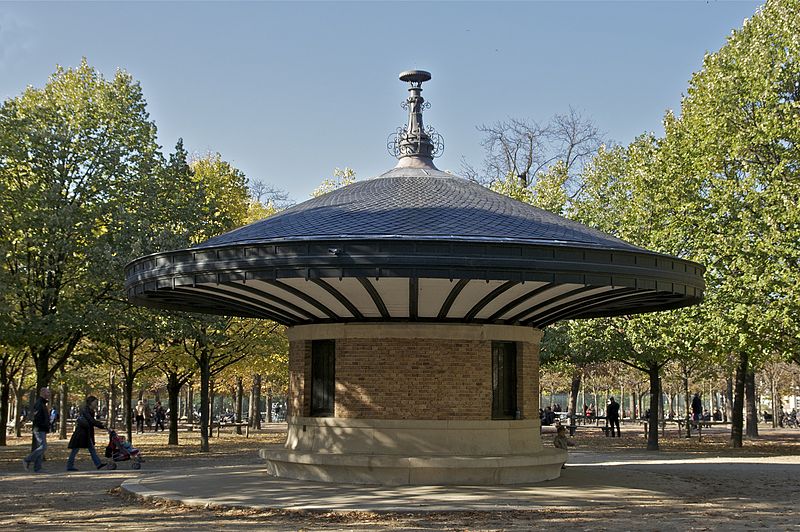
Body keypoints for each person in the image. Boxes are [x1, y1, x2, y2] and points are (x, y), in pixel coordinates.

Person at [66, 395, 107, 471]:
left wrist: (101, 425)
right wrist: (101, 425)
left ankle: (98, 464)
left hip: (86, 434)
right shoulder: (85, 410)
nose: (96, 404)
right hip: (81, 434)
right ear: (91, 402)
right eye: (95, 402)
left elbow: (91, 421)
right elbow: (91, 421)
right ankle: (69, 466)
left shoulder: (90, 411)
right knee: (75, 450)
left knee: (91, 449)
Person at [23, 387, 51, 472]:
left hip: (42, 428)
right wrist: (43, 425)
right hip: (39, 428)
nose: (49, 394)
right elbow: (37, 417)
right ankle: (27, 459)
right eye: (48, 392)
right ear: (42, 393)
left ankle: (37, 468)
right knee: (43, 446)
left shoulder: (43, 403)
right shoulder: (39, 403)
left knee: (41, 447)